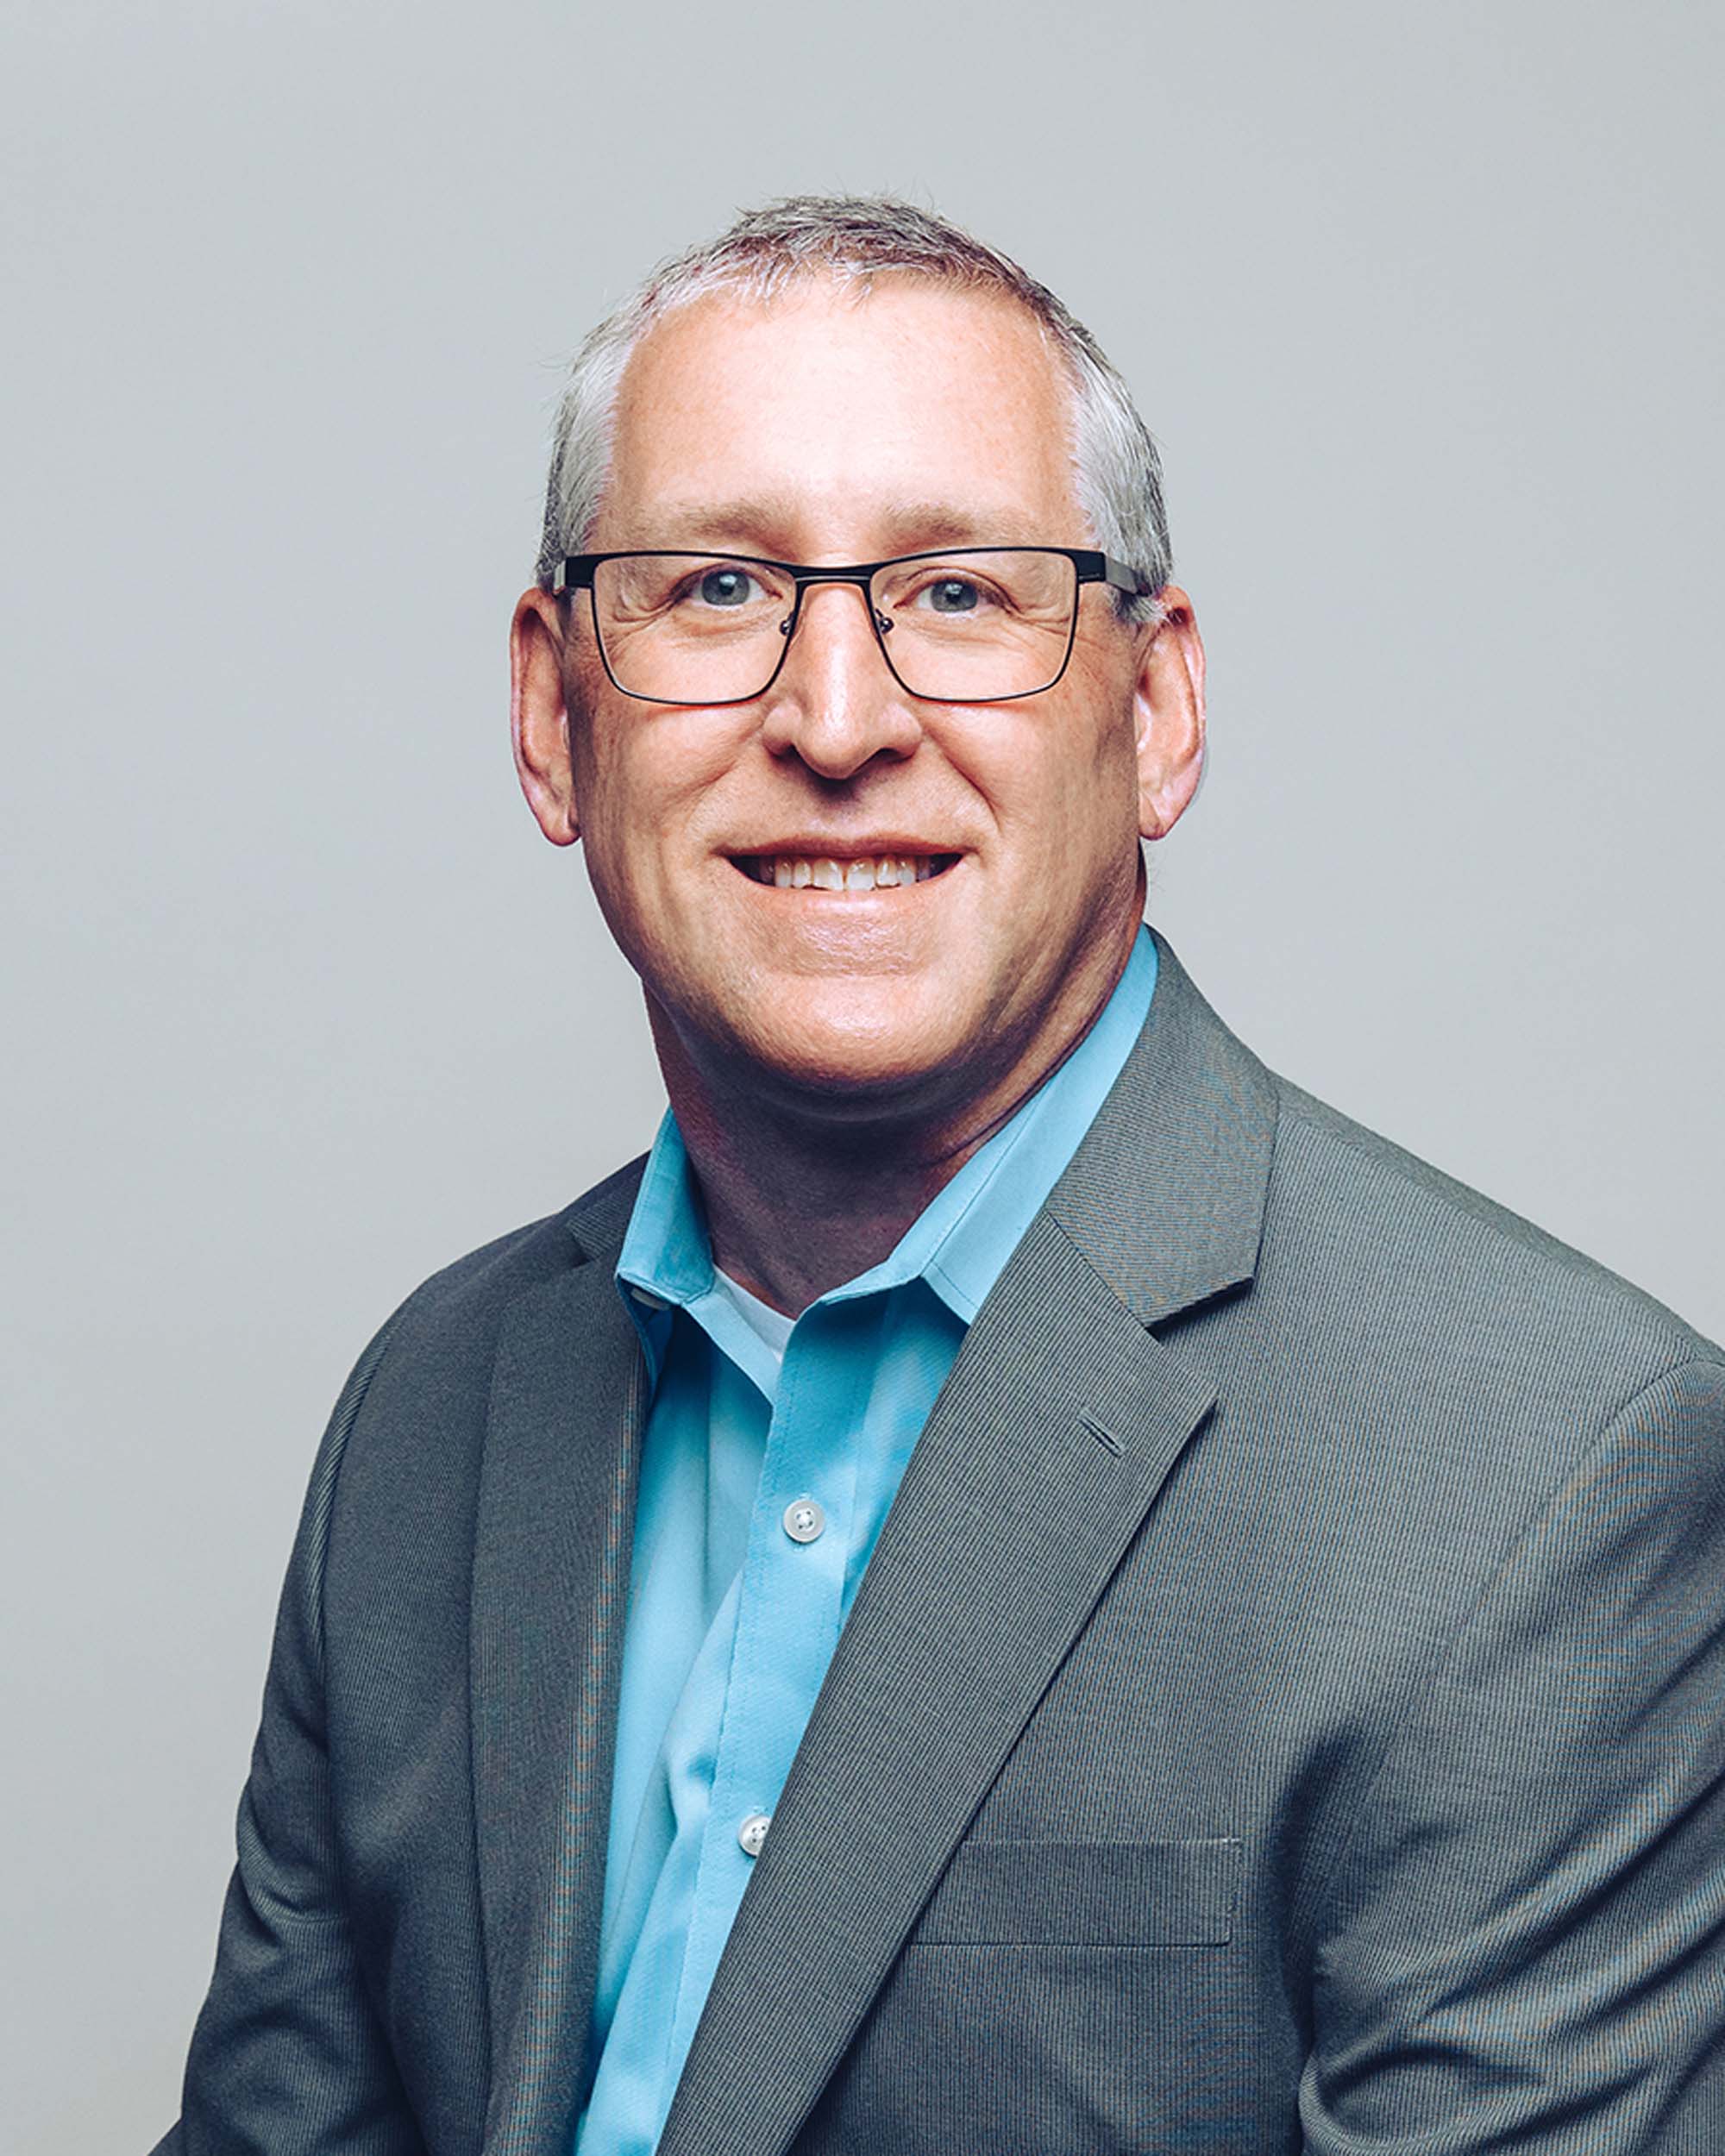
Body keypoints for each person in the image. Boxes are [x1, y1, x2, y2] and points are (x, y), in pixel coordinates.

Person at [154, 197, 1725, 2156]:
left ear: (1153, 714)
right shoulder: (432, 1409)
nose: (837, 719)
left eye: (963, 593)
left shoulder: (1541, 1476)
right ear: (555, 716)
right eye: (717, 588)